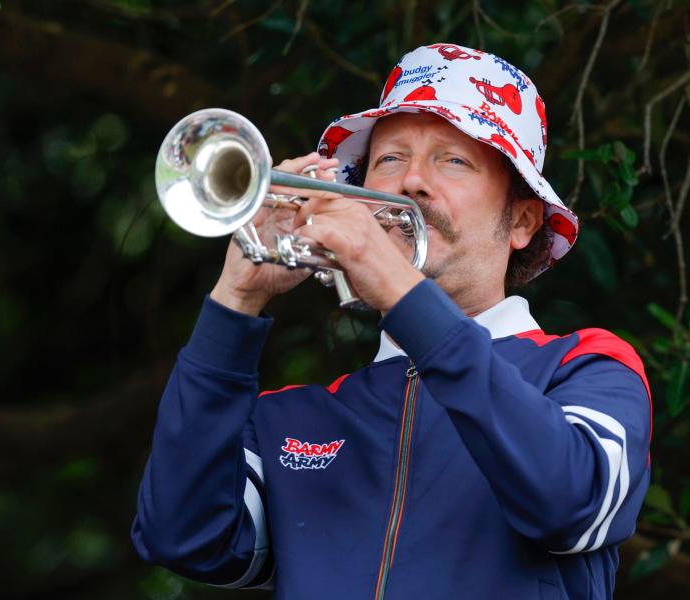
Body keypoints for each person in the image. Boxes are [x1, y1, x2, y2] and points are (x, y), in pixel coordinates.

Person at [132, 43, 652, 599]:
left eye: (453, 160)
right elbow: (182, 537)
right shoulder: (297, 417)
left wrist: (402, 293)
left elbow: (571, 504)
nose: (411, 182)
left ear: (522, 221)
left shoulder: (587, 368)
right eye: (389, 159)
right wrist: (236, 298)